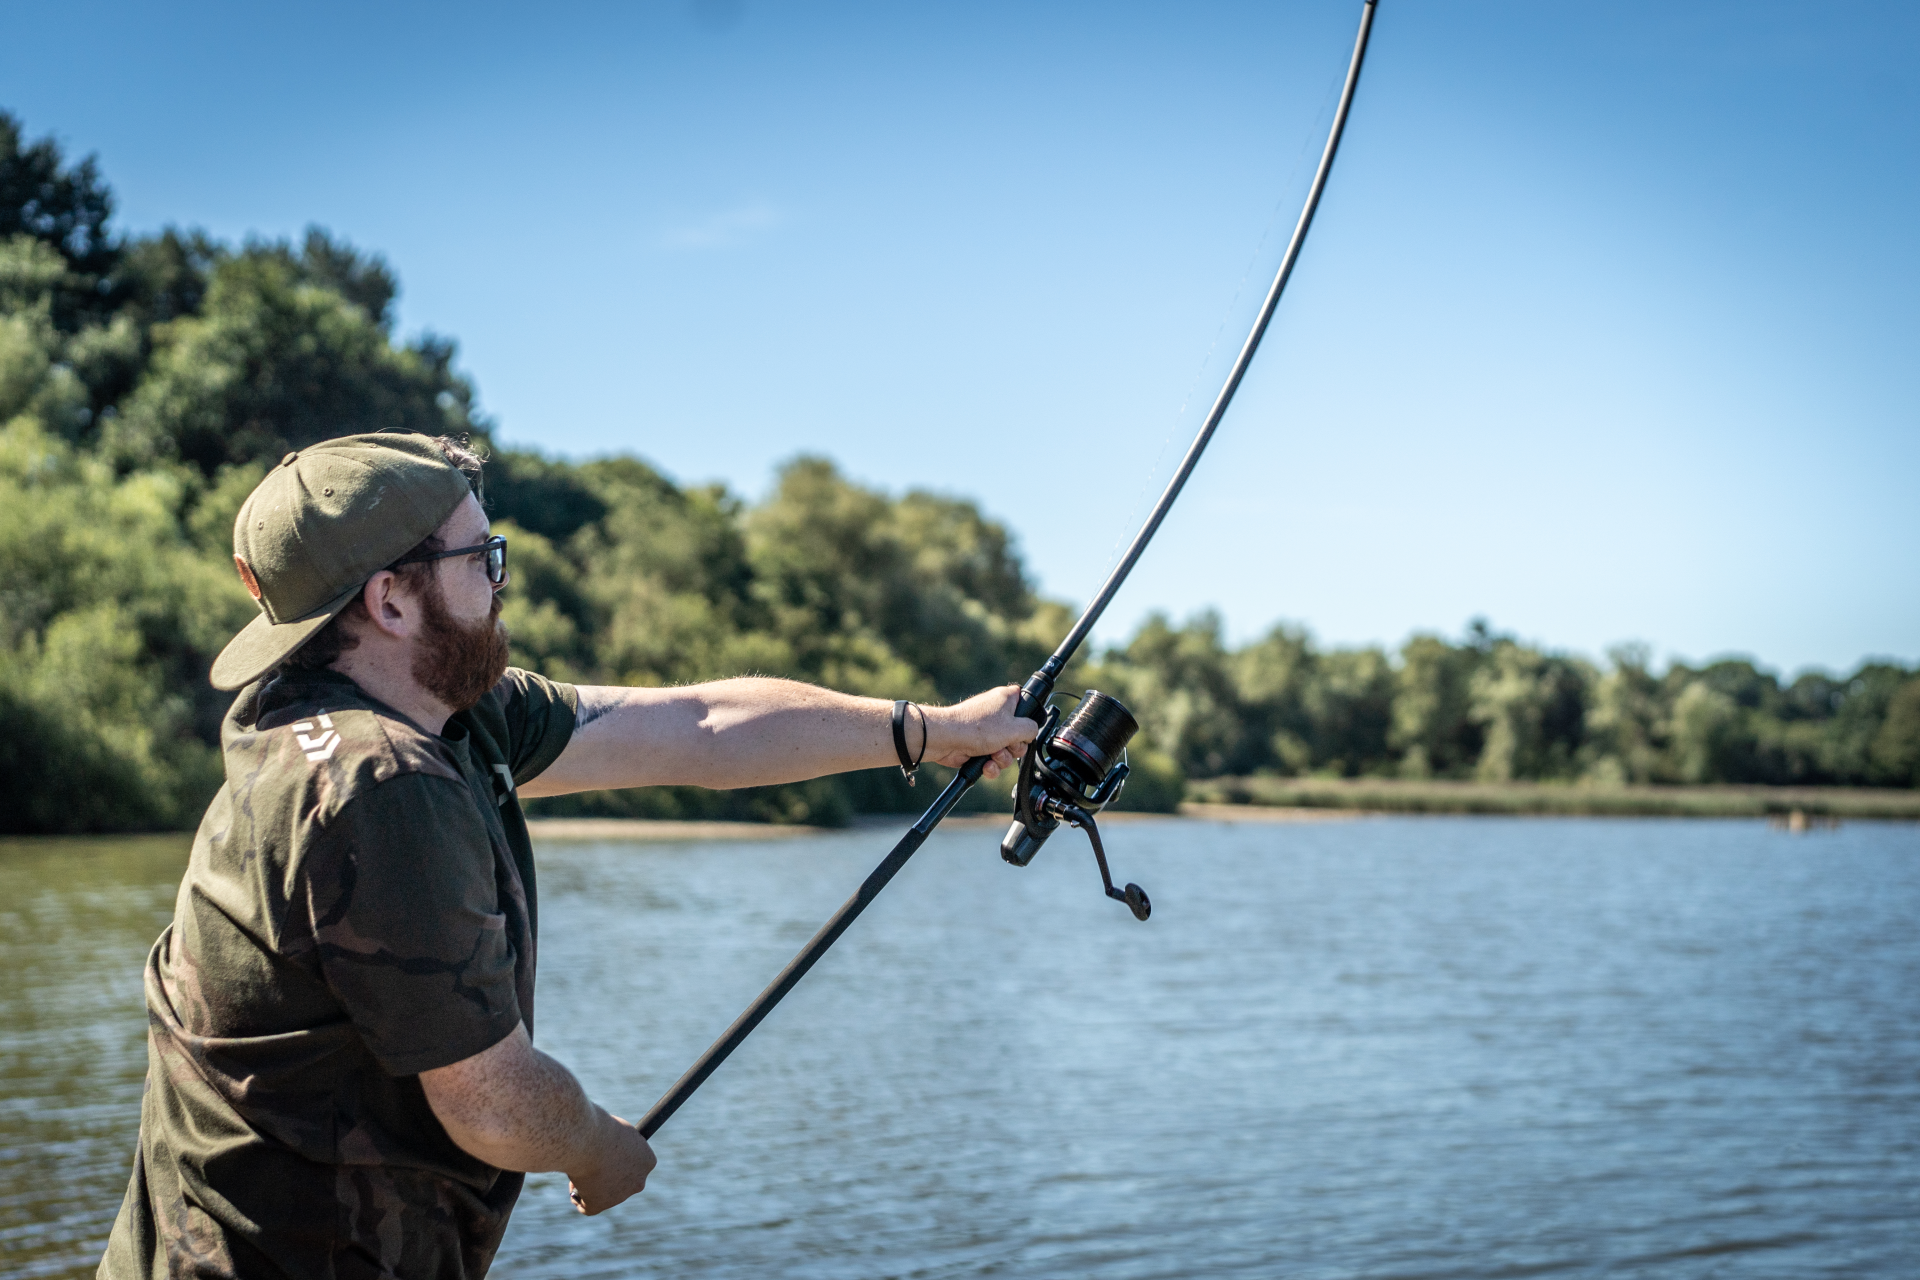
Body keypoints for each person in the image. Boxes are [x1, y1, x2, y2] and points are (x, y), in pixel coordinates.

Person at [99, 432, 1036, 1279]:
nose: (500, 581)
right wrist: (599, 1148)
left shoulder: (430, 709)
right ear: (389, 598)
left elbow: (700, 727)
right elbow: (494, 1102)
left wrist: (935, 730)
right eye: (481, 557)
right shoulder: (379, 786)